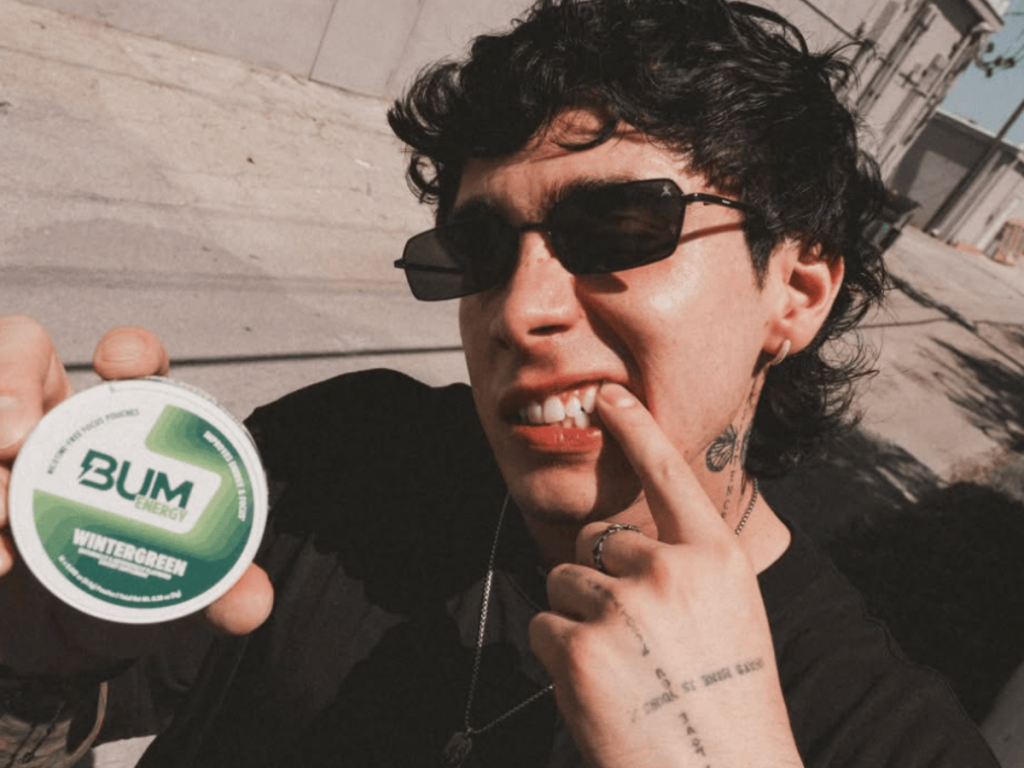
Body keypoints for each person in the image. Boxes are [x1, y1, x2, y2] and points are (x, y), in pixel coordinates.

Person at [0, 0, 1000, 766]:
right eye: (479, 251)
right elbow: (62, 717)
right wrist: (29, 660)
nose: (520, 309)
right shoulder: (340, 458)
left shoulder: (882, 737)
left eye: (617, 228)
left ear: (796, 291)